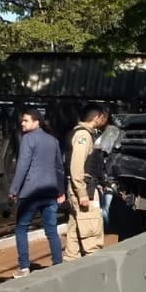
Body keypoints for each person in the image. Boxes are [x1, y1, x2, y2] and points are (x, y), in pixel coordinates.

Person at [8, 108, 65, 277]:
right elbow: (59, 168)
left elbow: (23, 166)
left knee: (21, 228)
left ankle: (24, 267)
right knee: (51, 229)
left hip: (30, 193)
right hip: (50, 192)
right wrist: (61, 190)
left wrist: (14, 190)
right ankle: (57, 264)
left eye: (26, 120)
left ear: (36, 122)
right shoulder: (53, 141)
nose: (22, 123)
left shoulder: (28, 139)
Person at [63, 103, 110, 261]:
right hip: (84, 188)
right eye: (104, 117)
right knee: (91, 231)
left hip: (81, 186)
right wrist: (82, 192)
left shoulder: (83, 134)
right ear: (97, 117)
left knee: (76, 230)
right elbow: (77, 167)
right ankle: (95, 268)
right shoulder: (83, 135)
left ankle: (70, 262)